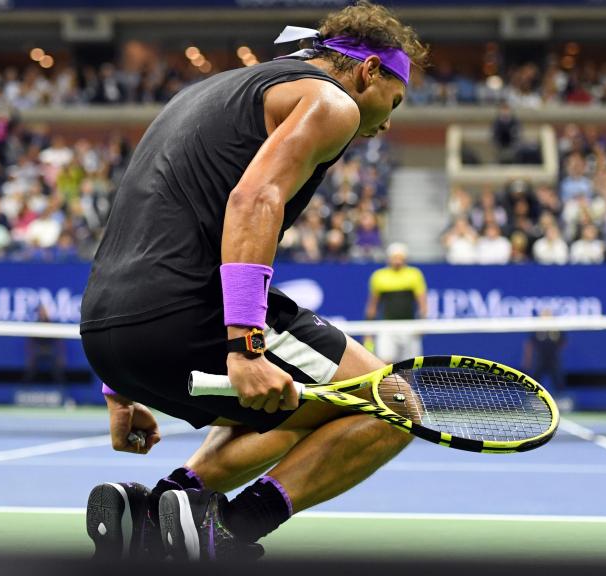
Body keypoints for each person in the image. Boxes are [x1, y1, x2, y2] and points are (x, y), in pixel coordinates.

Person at [78, 1, 427, 562]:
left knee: (300, 405)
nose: (387, 122)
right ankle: (231, 527)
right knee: (392, 406)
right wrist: (245, 342)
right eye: (394, 100)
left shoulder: (204, 93)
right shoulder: (330, 102)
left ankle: (162, 511)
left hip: (105, 329)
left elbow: (138, 222)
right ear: (368, 72)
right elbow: (254, 198)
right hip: (190, 309)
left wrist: (120, 389)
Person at [364, 242, 428, 363]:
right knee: (385, 363)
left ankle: (406, 384)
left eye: (400, 258)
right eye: (395, 257)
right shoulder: (379, 276)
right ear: (389, 259)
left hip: (410, 326)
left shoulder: (414, 274)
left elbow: (423, 303)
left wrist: (422, 323)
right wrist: (368, 331)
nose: (397, 261)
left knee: (409, 365)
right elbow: (372, 305)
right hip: (387, 327)